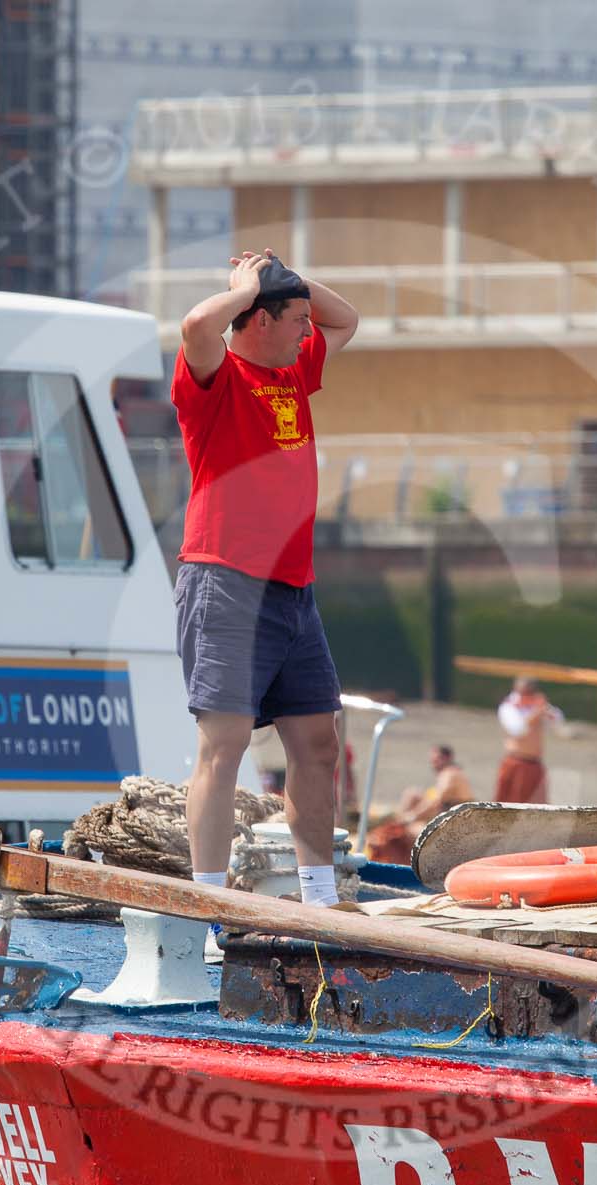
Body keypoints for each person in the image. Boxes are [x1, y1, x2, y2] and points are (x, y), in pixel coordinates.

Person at [171, 247, 359, 909]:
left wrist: (295, 279)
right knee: (223, 745)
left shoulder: (294, 369)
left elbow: (348, 320)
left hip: (292, 589)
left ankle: (317, 896)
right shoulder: (219, 376)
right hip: (224, 582)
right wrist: (247, 284)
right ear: (258, 321)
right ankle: (211, 905)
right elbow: (197, 326)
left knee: (317, 739)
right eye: (296, 318)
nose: (311, 330)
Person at [368, 745, 473, 863]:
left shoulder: (450, 774)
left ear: (448, 758)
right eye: (432, 761)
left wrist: (412, 817)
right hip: (448, 821)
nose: (434, 763)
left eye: (437, 760)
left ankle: (403, 856)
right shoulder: (452, 774)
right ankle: (400, 826)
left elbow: (436, 800)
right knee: (412, 794)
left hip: (455, 828)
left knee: (406, 833)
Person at [495, 678, 559, 804]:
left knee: (536, 809)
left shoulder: (538, 705)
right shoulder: (508, 707)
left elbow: (558, 721)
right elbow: (518, 730)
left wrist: (548, 712)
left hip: (535, 764)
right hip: (516, 763)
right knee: (508, 808)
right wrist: (536, 714)